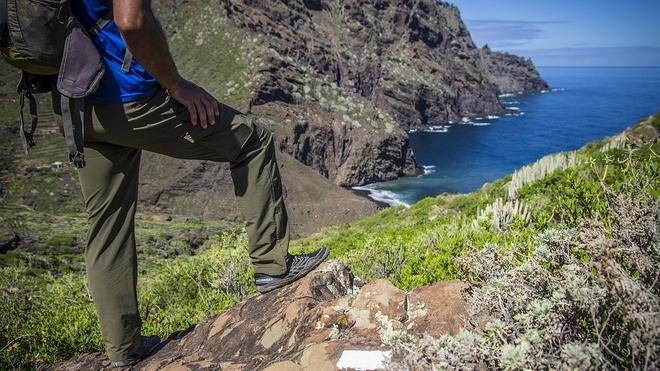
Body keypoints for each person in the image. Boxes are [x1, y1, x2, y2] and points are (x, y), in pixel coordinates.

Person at [64, 0, 328, 367]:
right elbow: (131, 20)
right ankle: (272, 265)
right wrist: (176, 85)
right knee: (252, 140)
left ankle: (123, 349)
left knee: (107, 223)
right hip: (130, 97)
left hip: (78, 99)